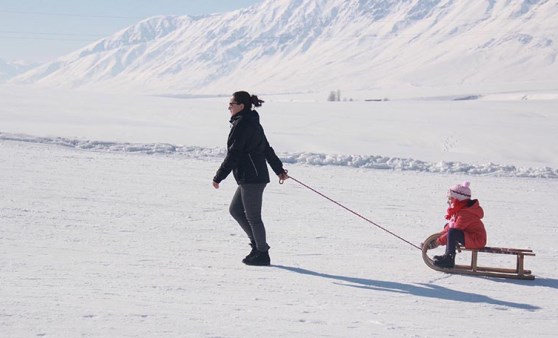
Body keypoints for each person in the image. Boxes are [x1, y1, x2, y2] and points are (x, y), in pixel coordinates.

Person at [212, 91, 289, 266]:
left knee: (253, 217)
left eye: (231, 103)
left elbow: (234, 154)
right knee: (235, 210)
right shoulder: (250, 122)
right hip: (251, 176)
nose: (229, 107)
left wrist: (219, 177)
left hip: (252, 177)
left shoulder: (243, 124)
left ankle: (262, 253)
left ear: (241, 106)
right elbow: (266, 148)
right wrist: (278, 170)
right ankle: (258, 245)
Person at [428, 181, 487, 268]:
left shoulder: (465, 214)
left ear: (457, 200)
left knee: (453, 232)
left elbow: (454, 231)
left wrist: (436, 243)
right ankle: (447, 256)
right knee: (449, 228)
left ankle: (449, 259)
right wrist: (435, 238)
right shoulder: (460, 211)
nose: (448, 201)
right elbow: (449, 228)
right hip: (470, 237)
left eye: (450, 198)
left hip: (476, 240)